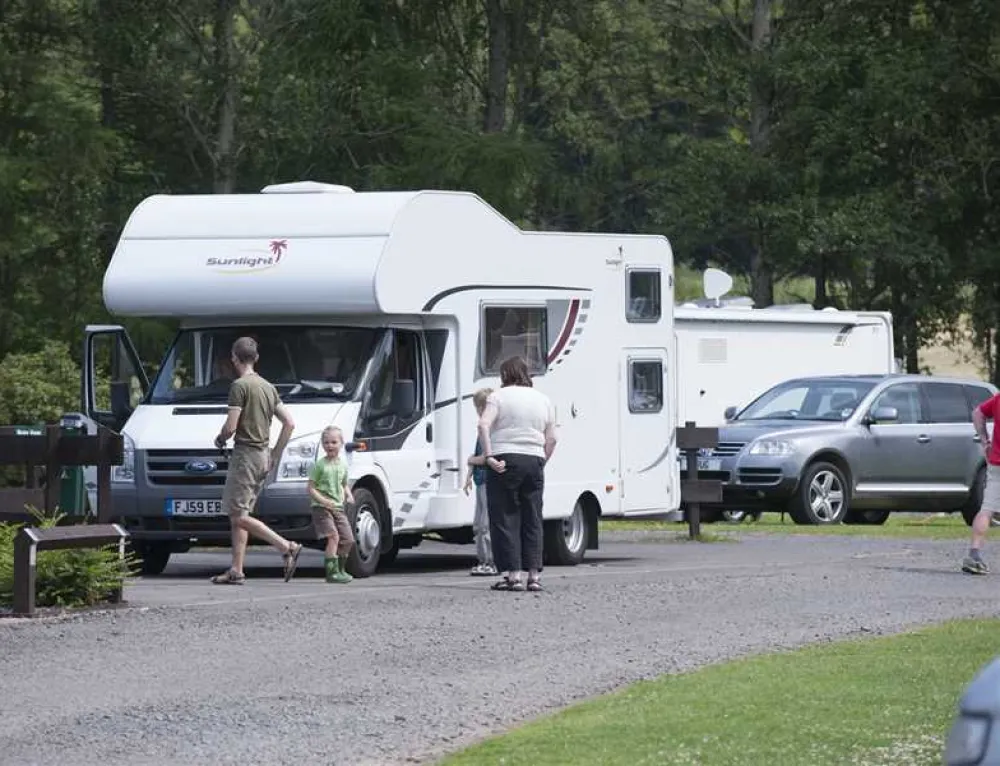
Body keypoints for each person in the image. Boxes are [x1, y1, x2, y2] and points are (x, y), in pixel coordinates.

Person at [211, 336, 303, 584]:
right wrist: (275, 454)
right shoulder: (268, 386)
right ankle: (236, 570)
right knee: (241, 512)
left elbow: (231, 427)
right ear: (256, 358)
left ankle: (287, 546)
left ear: (234, 358)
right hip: (263, 455)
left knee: (236, 515)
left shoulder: (239, 386)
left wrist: (220, 438)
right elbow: (290, 423)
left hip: (245, 456)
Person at [477, 356, 557, 592]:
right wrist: (542, 459)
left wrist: (489, 455)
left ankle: (513, 576)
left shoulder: (498, 397)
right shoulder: (543, 399)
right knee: (532, 517)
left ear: (505, 375)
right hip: (534, 459)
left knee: (505, 517)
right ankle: (534, 576)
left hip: (505, 458)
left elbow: (483, 424)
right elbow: (552, 437)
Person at [308, 425, 356, 584]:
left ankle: (341, 569)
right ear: (323, 445)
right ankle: (331, 573)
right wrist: (323, 501)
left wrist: (348, 495)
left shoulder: (342, 465)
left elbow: (344, 484)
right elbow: (310, 488)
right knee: (333, 536)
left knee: (348, 539)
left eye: (334, 442)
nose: (330, 445)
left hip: (338, 507)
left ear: (341, 443)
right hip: (321, 508)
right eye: (327, 442)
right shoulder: (320, 465)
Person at [962, 393, 1000, 574]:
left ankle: (974, 554)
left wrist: (985, 441)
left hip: (996, 462)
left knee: (987, 509)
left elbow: (978, 413)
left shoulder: (999, 398)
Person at [463, 387, 497, 577]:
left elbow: (486, 457)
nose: (477, 410)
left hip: (487, 481)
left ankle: (490, 561)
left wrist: (471, 461)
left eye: (478, 406)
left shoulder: (489, 429)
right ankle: (483, 560)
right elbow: (475, 456)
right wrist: (468, 475)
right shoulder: (482, 429)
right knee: (478, 524)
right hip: (479, 481)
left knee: (486, 524)